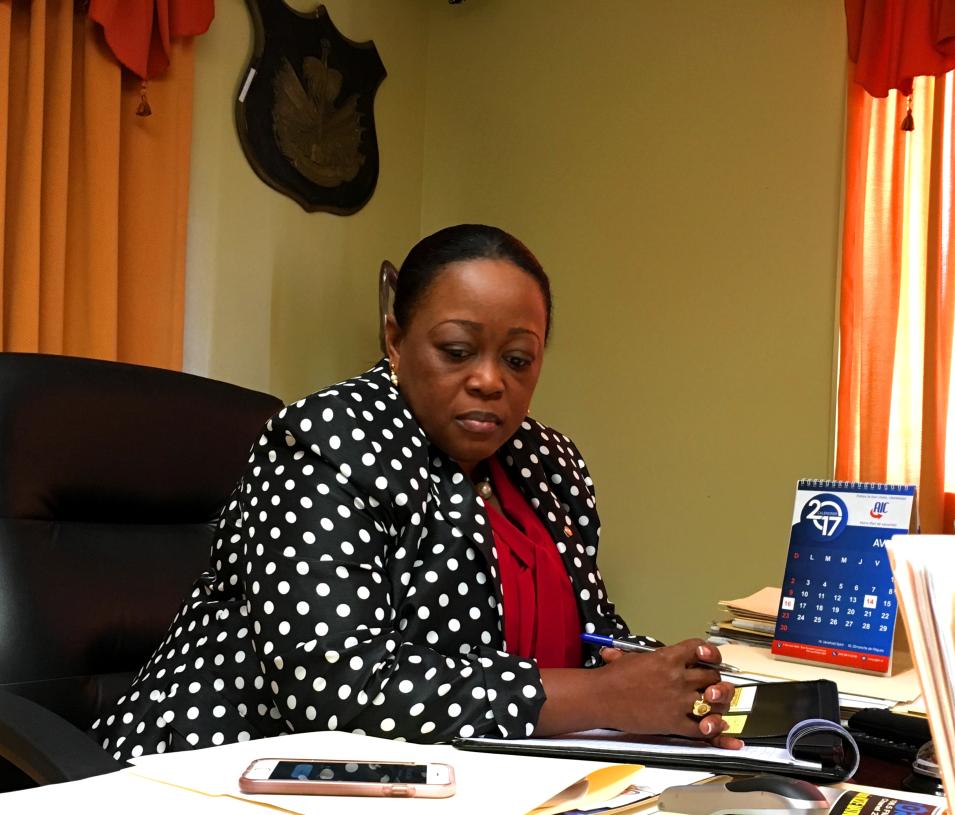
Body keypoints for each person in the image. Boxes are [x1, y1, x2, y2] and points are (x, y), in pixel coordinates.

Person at [94, 224, 740, 760]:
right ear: (395, 340)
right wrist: (603, 698)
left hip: (477, 774)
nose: (489, 380)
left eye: (518, 359)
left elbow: (592, 636)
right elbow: (337, 686)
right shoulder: (327, 438)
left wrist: (675, 681)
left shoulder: (550, 463)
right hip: (237, 768)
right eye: (456, 350)